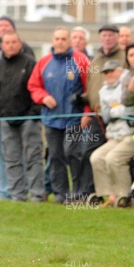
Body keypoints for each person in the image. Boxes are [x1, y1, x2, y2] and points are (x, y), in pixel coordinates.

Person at [28, 27, 90, 203]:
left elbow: (90, 89)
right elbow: (33, 86)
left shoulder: (81, 60)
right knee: (55, 156)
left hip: (74, 118)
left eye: (64, 39)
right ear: (52, 41)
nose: (60, 42)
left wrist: (87, 113)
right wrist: (43, 97)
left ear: (70, 41)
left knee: (73, 154)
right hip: (51, 119)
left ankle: (79, 193)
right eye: (57, 39)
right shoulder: (43, 62)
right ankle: (60, 194)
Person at [0, 15, 35, 200]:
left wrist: (30, 113)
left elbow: (32, 86)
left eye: (7, 26)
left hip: (23, 115)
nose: (4, 29)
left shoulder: (28, 56)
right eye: (0, 26)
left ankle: (22, 191)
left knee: (24, 154)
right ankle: (4, 191)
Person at [0, 32, 45, 202]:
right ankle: (17, 195)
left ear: (20, 44)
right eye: (7, 42)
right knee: (11, 158)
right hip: (6, 121)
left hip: (29, 120)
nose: (10, 45)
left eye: (14, 42)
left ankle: (37, 194)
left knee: (33, 157)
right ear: (2, 45)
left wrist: (33, 113)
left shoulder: (30, 64)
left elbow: (37, 89)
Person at [79, 24, 126, 197]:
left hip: (119, 116)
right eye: (104, 35)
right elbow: (91, 85)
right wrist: (85, 105)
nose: (107, 38)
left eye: (111, 35)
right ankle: (91, 194)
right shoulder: (96, 59)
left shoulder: (125, 57)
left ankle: (123, 195)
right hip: (96, 115)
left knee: (117, 157)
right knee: (89, 153)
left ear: (117, 37)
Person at [90, 60, 134, 206]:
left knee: (113, 158)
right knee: (96, 157)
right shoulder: (103, 91)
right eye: (106, 72)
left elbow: (130, 110)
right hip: (114, 136)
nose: (108, 75)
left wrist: (114, 111)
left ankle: (125, 196)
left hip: (131, 134)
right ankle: (109, 195)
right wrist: (115, 111)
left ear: (120, 71)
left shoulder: (127, 85)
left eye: (112, 71)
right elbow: (105, 116)